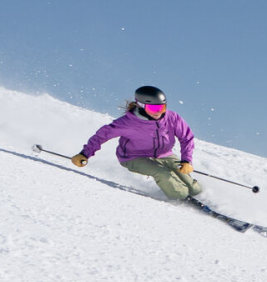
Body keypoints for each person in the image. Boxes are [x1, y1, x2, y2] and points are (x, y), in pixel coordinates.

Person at [70, 86, 204, 203]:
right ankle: (179, 198)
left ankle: (190, 192)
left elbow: (186, 137)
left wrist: (186, 160)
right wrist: (84, 154)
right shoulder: (127, 123)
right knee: (163, 175)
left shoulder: (172, 118)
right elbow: (101, 136)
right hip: (134, 157)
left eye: (162, 107)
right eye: (153, 108)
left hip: (165, 154)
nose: (158, 112)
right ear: (141, 105)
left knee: (194, 188)